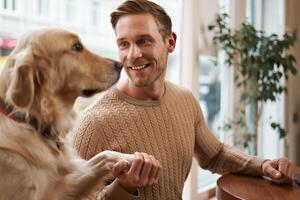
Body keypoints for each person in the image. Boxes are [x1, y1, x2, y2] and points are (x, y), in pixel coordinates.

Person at [72, 0, 294, 199]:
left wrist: (263, 165)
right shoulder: (93, 123)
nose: (133, 54)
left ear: (170, 42)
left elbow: (215, 155)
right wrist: (124, 187)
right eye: (124, 44)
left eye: (144, 41)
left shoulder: (185, 100)